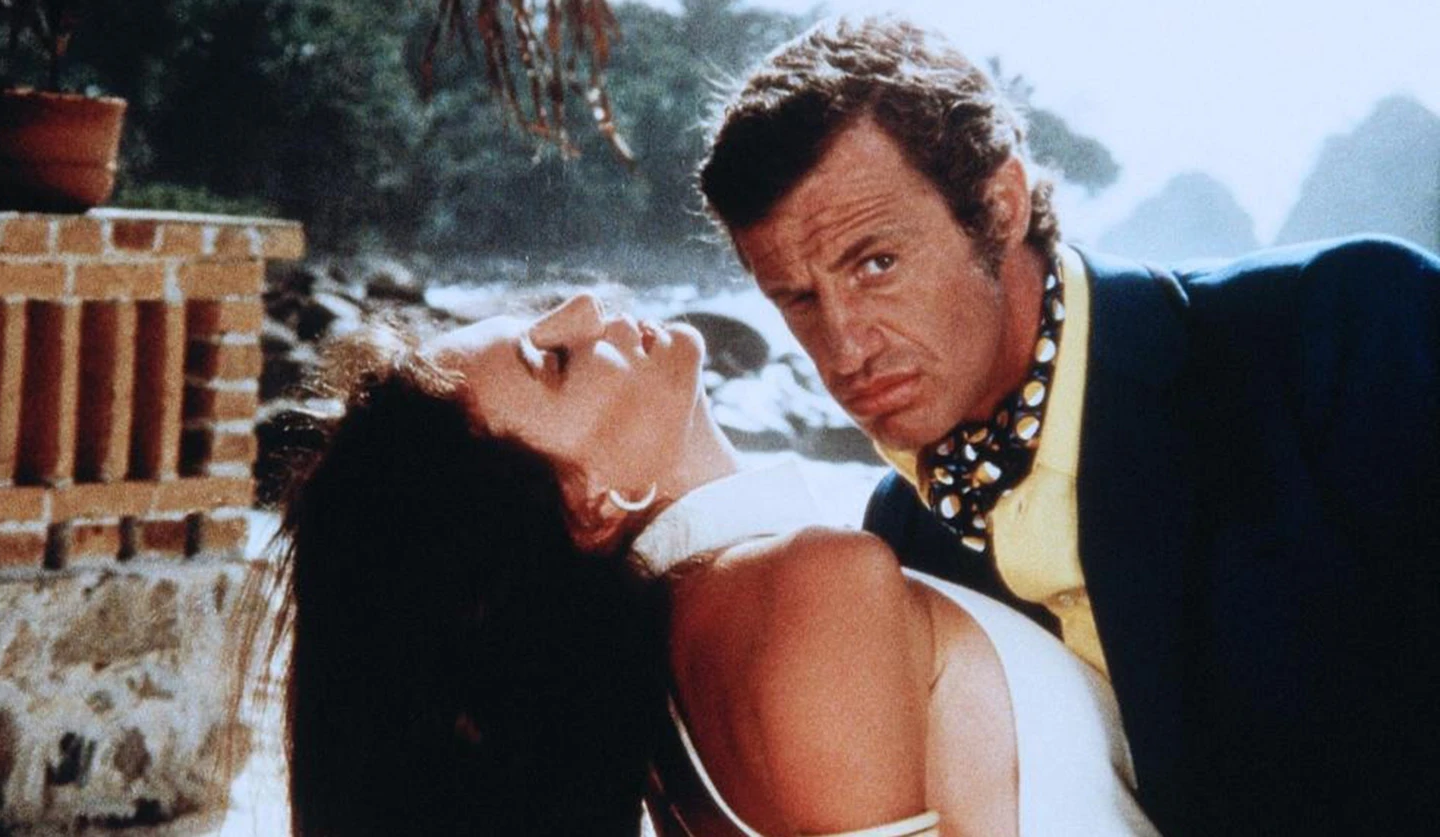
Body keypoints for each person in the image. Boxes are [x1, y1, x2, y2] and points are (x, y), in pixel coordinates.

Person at [697, 16, 1440, 837]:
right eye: (798, 299)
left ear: (1000, 206)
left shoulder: (1348, 329)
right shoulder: (900, 530)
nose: (844, 349)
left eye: (877, 264)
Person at [248, 293, 1161, 836]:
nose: (586, 308)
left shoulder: (676, 674)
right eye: (553, 360)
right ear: (589, 503)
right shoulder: (807, 591)